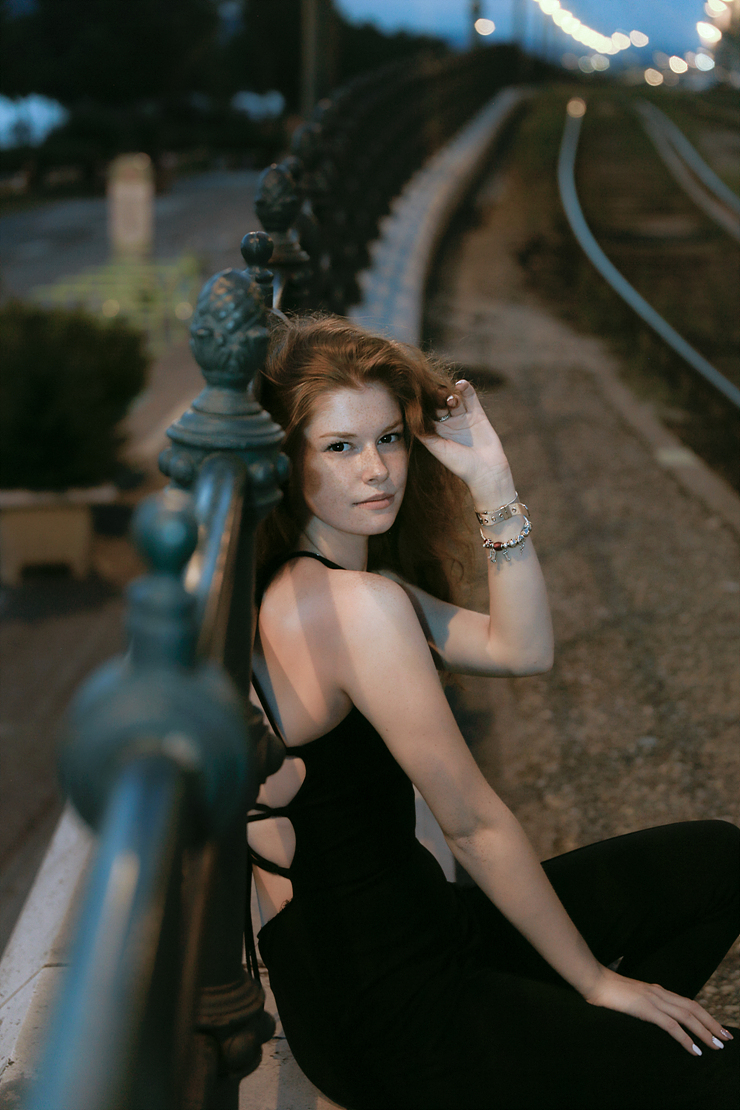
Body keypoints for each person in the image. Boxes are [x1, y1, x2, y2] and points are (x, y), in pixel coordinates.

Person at [246, 315, 739, 1110]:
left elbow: (522, 648)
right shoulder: (353, 609)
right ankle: (618, 1057)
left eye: (389, 438)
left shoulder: (322, 587)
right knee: (720, 1072)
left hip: (420, 941)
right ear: (285, 460)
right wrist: (596, 983)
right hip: (400, 1009)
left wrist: (494, 484)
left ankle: (607, 1065)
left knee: (719, 862)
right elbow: (472, 825)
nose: (377, 469)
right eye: (339, 447)